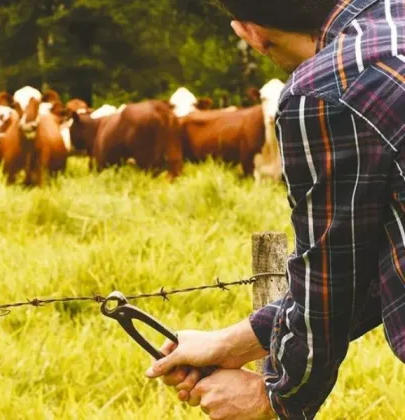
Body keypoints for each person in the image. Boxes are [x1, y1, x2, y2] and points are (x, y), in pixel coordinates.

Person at [145, 0, 405, 419]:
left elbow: (334, 274)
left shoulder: (327, 90)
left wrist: (276, 397)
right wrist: (236, 341)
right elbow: (378, 260)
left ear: (248, 33)